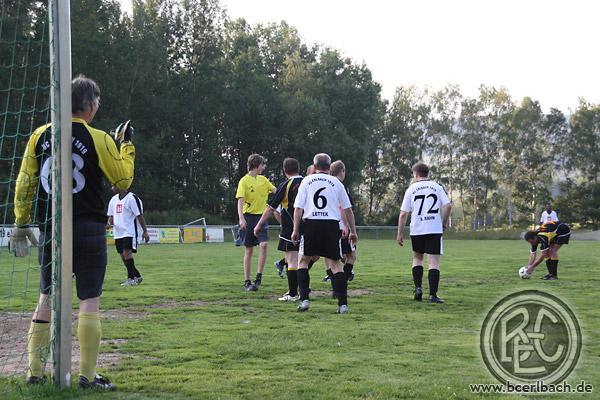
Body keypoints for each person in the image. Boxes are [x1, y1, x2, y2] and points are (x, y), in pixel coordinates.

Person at [9, 75, 135, 390]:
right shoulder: (99, 138)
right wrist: (126, 147)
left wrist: (21, 222)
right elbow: (122, 181)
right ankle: (87, 377)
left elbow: (25, 182)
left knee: (47, 296)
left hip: (52, 228)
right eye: (98, 103)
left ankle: (34, 373)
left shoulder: (40, 134)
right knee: (89, 300)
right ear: (90, 105)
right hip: (89, 227)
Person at [291, 153, 358, 313]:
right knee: (336, 264)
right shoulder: (336, 182)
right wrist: (353, 231)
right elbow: (348, 209)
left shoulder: (307, 181)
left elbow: (298, 208)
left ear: (315, 166)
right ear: (329, 166)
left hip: (311, 224)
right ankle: (343, 305)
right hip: (331, 225)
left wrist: (295, 229)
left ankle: (304, 300)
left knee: (303, 261)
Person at [397, 162, 452, 304]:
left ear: (415, 174)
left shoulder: (411, 189)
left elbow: (403, 214)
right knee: (433, 262)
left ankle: (418, 288)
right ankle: (433, 295)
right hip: (434, 229)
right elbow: (448, 206)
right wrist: (444, 222)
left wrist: (400, 233)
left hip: (417, 229)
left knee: (417, 259)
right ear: (428, 173)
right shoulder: (437, 187)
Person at [254, 158, 303, 301]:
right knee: (303, 261)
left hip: (290, 228)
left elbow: (271, 208)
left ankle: (293, 294)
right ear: (298, 169)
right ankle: (302, 291)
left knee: (291, 260)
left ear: (284, 170)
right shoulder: (307, 182)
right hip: (308, 227)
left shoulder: (286, 185)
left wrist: (259, 225)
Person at [236, 153, 276, 291]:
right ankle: (247, 281)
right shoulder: (244, 181)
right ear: (257, 165)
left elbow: (276, 191)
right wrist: (241, 218)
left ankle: (258, 278)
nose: (264, 167)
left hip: (262, 217)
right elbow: (240, 201)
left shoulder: (264, 180)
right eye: (263, 165)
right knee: (249, 250)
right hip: (248, 217)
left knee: (264, 245)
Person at [107, 185, 150, 286]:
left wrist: (145, 231)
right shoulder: (113, 199)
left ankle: (130, 279)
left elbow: (139, 215)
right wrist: (109, 222)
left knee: (127, 254)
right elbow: (111, 216)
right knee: (123, 257)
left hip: (129, 231)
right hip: (118, 233)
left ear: (120, 186)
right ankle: (137, 276)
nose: (112, 188)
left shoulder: (132, 198)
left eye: (113, 186)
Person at [323, 160, 357, 286]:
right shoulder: (340, 186)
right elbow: (343, 208)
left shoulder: (326, 184)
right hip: (341, 226)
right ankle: (342, 283)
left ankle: (335, 280)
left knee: (332, 257)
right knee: (351, 256)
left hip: (327, 225)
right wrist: (347, 226)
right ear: (342, 171)